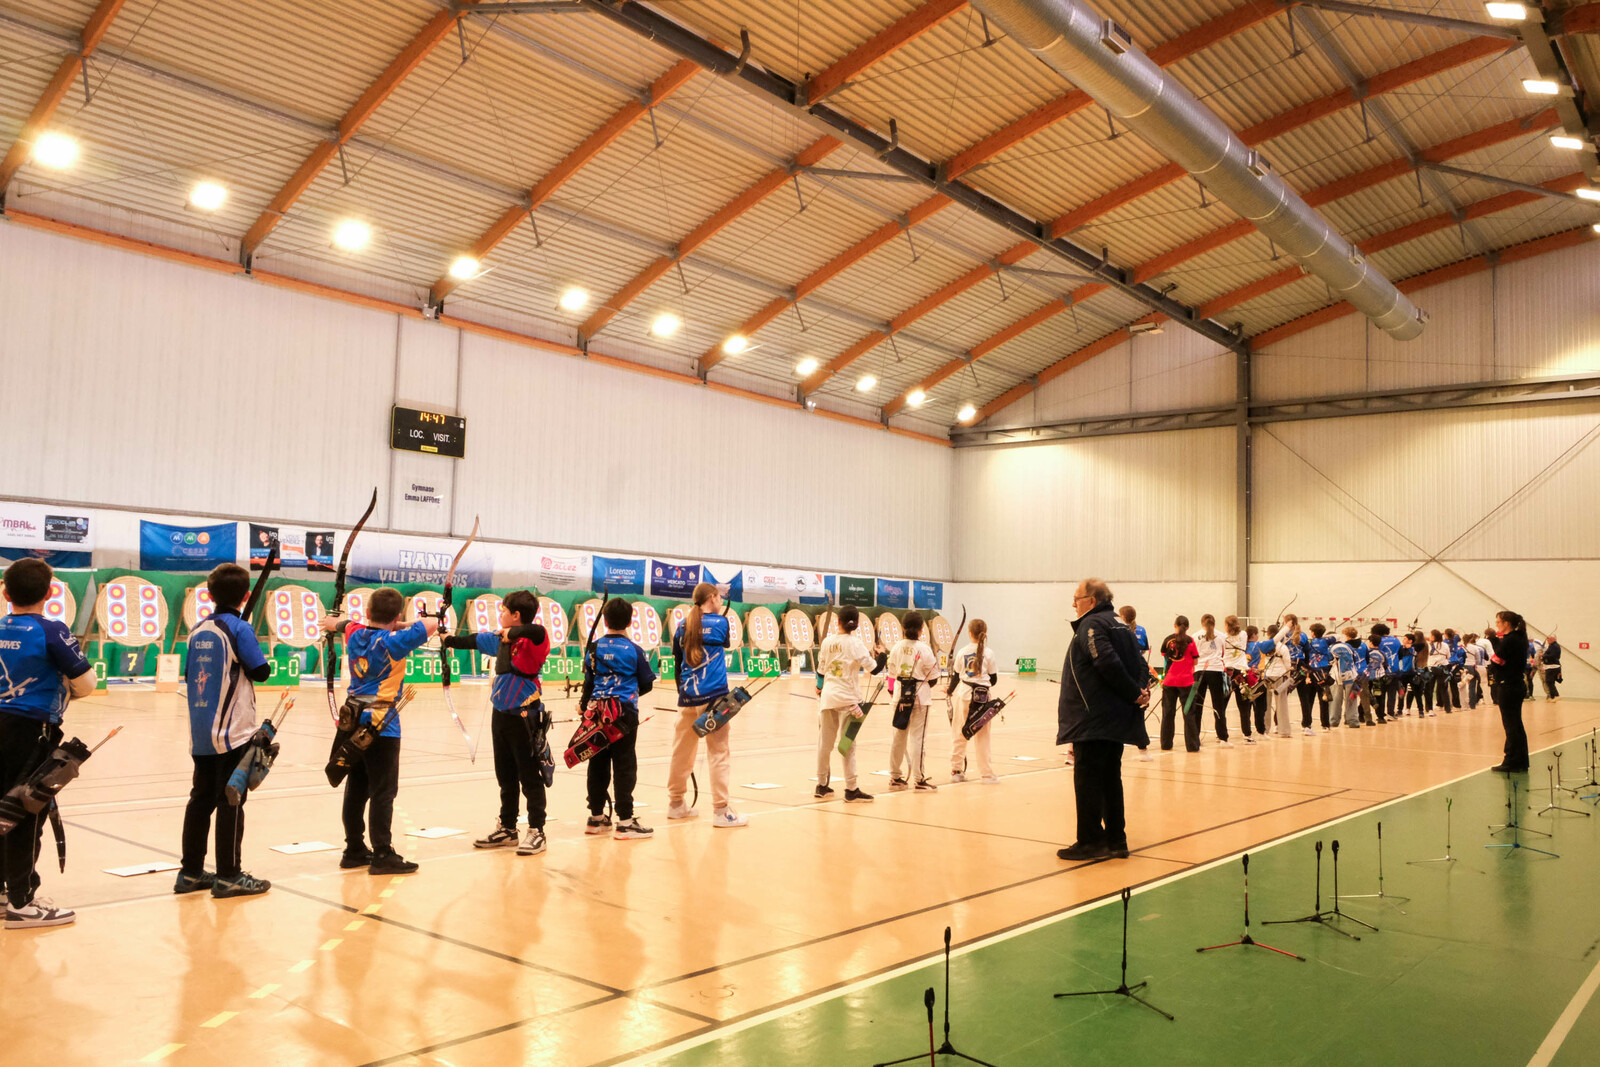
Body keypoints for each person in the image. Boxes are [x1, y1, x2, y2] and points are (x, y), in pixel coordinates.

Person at [0, 559, 96, 928]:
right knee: (26, 809)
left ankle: (3, 892)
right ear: (51, 592)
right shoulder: (51, 630)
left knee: (2, 807)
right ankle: (22, 902)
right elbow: (85, 683)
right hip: (31, 731)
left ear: (6, 593)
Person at [319, 587, 437, 875]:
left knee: (357, 787)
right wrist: (403, 623)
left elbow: (342, 624)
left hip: (352, 719)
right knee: (383, 791)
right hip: (382, 724)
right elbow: (432, 623)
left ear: (368, 613)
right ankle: (382, 853)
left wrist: (338, 623)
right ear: (396, 616)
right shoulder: (394, 641)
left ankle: (354, 849)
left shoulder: (356, 633)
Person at [176, 563, 273, 898]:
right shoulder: (239, 628)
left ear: (208, 594)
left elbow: (189, 674)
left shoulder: (197, 629)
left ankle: (190, 873)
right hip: (233, 732)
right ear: (245, 596)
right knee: (231, 799)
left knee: (201, 800)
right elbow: (261, 671)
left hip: (202, 732)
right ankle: (229, 875)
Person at [441, 590, 553, 854]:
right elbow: (471, 640)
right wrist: (447, 638)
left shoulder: (535, 641)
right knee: (505, 775)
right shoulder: (500, 639)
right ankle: (508, 828)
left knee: (529, 776)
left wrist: (511, 634)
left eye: (503, 611)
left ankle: (537, 830)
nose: (499, 615)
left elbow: (537, 631)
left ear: (516, 615)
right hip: (501, 715)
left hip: (524, 716)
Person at [1056, 579, 1149, 862]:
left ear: (1092, 600)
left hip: (1092, 719)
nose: (1073, 603)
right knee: (1110, 778)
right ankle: (1116, 840)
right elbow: (1141, 664)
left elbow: (1106, 662)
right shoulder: (1120, 624)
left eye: (1077, 598)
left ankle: (1089, 842)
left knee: (1088, 781)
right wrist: (1139, 690)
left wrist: (1135, 693)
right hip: (1113, 719)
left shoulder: (1092, 625)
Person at [668, 583, 745, 827]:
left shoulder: (683, 625)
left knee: (682, 751)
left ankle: (676, 804)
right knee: (719, 751)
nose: (721, 601)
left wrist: (683, 692)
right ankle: (722, 812)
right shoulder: (720, 623)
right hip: (713, 698)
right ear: (711, 597)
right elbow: (726, 643)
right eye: (719, 597)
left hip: (687, 697)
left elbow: (677, 662)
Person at [584, 597, 656, 839]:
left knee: (598, 763)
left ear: (604, 620)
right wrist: (628, 695)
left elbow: (589, 681)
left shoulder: (593, 648)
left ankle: (596, 818)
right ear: (630, 621)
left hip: (596, 713)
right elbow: (647, 683)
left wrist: (585, 706)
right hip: (623, 713)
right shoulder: (635, 650)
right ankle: (625, 822)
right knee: (624, 765)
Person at [815, 605, 877, 801]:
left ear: (838, 622)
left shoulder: (827, 642)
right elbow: (874, 669)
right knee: (848, 744)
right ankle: (851, 789)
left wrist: (819, 687)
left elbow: (820, 672)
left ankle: (821, 785)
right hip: (849, 700)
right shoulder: (856, 643)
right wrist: (883, 655)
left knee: (824, 744)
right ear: (856, 624)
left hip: (828, 698)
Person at [886, 611, 940, 791]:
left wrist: (895, 692)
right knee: (918, 739)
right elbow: (934, 678)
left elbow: (891, 675)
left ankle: (895, 776)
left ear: (902, 627)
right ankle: (919, 778)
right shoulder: (924, 648)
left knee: (898, 737)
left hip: (899, 695)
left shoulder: (896, 647)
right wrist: (920, 685)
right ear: (921, 629)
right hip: (920, 698)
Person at [950, 618, 1000, 783]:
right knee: (982, 737)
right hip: (982, 699)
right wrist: (981, 682)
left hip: (964, 695)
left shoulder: (962, 651)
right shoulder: (989, 653)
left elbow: (956, 676)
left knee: (960, 732)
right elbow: (993, 679)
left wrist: (949, 691)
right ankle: (986, 774)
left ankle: (956, 771)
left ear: (969, 633)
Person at [1488, 610, 1531, 772]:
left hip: (1508, 685)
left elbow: (1496, 660)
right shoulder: (1518, 638)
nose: (1497, 624)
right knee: (1516, 724)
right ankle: (1520, 760)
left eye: (1498, 622)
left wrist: (1495, 665)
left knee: (1511, 725)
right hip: (1516, 684)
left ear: (1506, 623)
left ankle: (1511, 760)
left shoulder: (1510, 640)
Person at [1118, 605, 1153, 762]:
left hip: (1127, 672)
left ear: (1123, 617)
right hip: (1137, 672)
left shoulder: (1119, 631)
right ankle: (1143, 750)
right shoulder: (1141, 630)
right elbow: (1143, 650)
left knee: (1128, 712)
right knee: (1137, 714)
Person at [1158, 617, 1200, 752]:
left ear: (1174, 625)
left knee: (1168, 713)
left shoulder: (1168, 640)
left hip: (1169, 681)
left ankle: (1166, 744)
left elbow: (1165, 657)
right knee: (1189, 714)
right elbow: (1195, 661)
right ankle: (1192, 746)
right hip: (1187, 682)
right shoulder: (1190, 641)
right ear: (1187, 627)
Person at [1191, 615, 1232, 747]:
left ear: (1202, 623)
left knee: (1197, 705)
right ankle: (1223, 738)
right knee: (1219, 706)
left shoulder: (1194, 636)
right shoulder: (1221, 636)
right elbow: (1223, 653)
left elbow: (1192, 655)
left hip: (1199, 671)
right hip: (1216, 671)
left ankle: (1195, 738)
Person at [1222, 616, 1255, 744]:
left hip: (1228, 673)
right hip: (1242, 673)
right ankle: (1247, 735)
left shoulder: (1223, 637)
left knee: (1222, 705)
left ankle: (1221, 734)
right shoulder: (1243, 635)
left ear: (1226, 625)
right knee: (1244, 707)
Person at [1263, 623, 1294, 737]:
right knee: (1281, 704)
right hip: (1279, 676)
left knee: (1265, 705)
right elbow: (1287, 664)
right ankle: (1284, 731)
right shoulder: (1283, 647)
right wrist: (1288, 675)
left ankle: (1264, 730)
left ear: (1268, 634)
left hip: (1267, 676)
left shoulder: (1265, 646)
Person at [1329, 628, 1361, 729]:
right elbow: (1355, 660)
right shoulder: (1349, 647)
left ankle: (1333, 721)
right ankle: (1353, 721)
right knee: (1351, 699)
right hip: (1351, 675)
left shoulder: (1330, 648)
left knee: (1335, 699)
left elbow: (1328, 661)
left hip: (1336, 677)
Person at [1307, 623, 1334, 729]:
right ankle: (1325, 725)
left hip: (1311, 671)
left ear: (1313, 633)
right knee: (1324, 698)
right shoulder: (1326, 641)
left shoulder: (1309, 642)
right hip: (1323, 672)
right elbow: (1336, 637)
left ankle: (1307, 724)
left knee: (1309, 699)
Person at [1539, 635, 1562, 701]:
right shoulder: (1551, 646)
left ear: (1553, 639)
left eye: (1548, 639)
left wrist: (1543, 655)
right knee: (1550, 681)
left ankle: (1557, 695)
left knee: (1549, 681)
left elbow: (1553, 656)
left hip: (1553, 666)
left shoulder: (1555, 646)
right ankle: (1552, 697)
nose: (1547, 640)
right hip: (1550, 666)